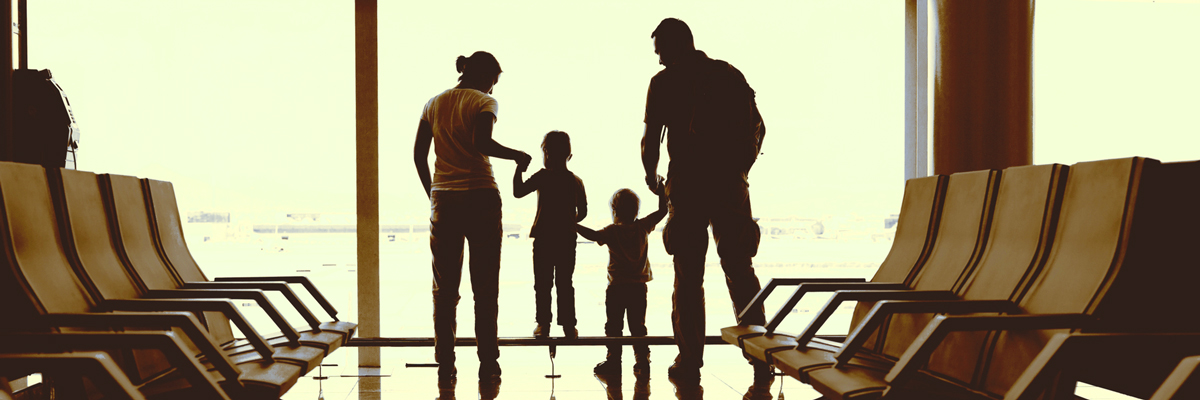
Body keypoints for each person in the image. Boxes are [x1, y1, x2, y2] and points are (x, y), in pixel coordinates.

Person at [639, 18, 769, 381]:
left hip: (687, 184)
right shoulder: (729, 75)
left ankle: (690, 360)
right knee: (740, 269)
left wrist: (652, 176)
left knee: (688, 274)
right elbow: (759, 128)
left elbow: (651, 139)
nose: (660, 61)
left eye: (660, 52)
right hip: (729, 185)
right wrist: (738, 171)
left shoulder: (663, 83)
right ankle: (760, 356)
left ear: (674, 45)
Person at [414, 51, 532, 382]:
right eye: (495, 82)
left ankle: (445, 356)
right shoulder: (483, 101)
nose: (494, 89)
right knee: (485, 284)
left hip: (445, 201)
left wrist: (434, 192)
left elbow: (418, 156)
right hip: (480, 195)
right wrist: (517, 156)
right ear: (487, 77)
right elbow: (483, 143)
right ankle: (487, 359)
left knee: (445, 285)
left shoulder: (433, 103)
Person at [577, 184, 667, 376]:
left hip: (617, 287)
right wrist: (661, 193)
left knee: (614, 325)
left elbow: (593, 235)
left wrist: (573, 224)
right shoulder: (643, 227)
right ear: (636, 211)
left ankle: (613, 361)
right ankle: (642, 360)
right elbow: (662, 210)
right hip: (638, 288)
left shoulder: (612, 231)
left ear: (614, 211)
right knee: (638, 326)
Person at [513, 130, 587, 339]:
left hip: (544, 238)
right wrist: (569, 222)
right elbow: (583, 212)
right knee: (565, 283)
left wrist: (519, 169)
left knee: (542, 284)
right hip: (567, 239)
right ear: (569, 155)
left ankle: (543, 324)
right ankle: (568, 326)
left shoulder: (542, 177)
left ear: (546, 152)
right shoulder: (575, 181)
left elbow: (518, 191)